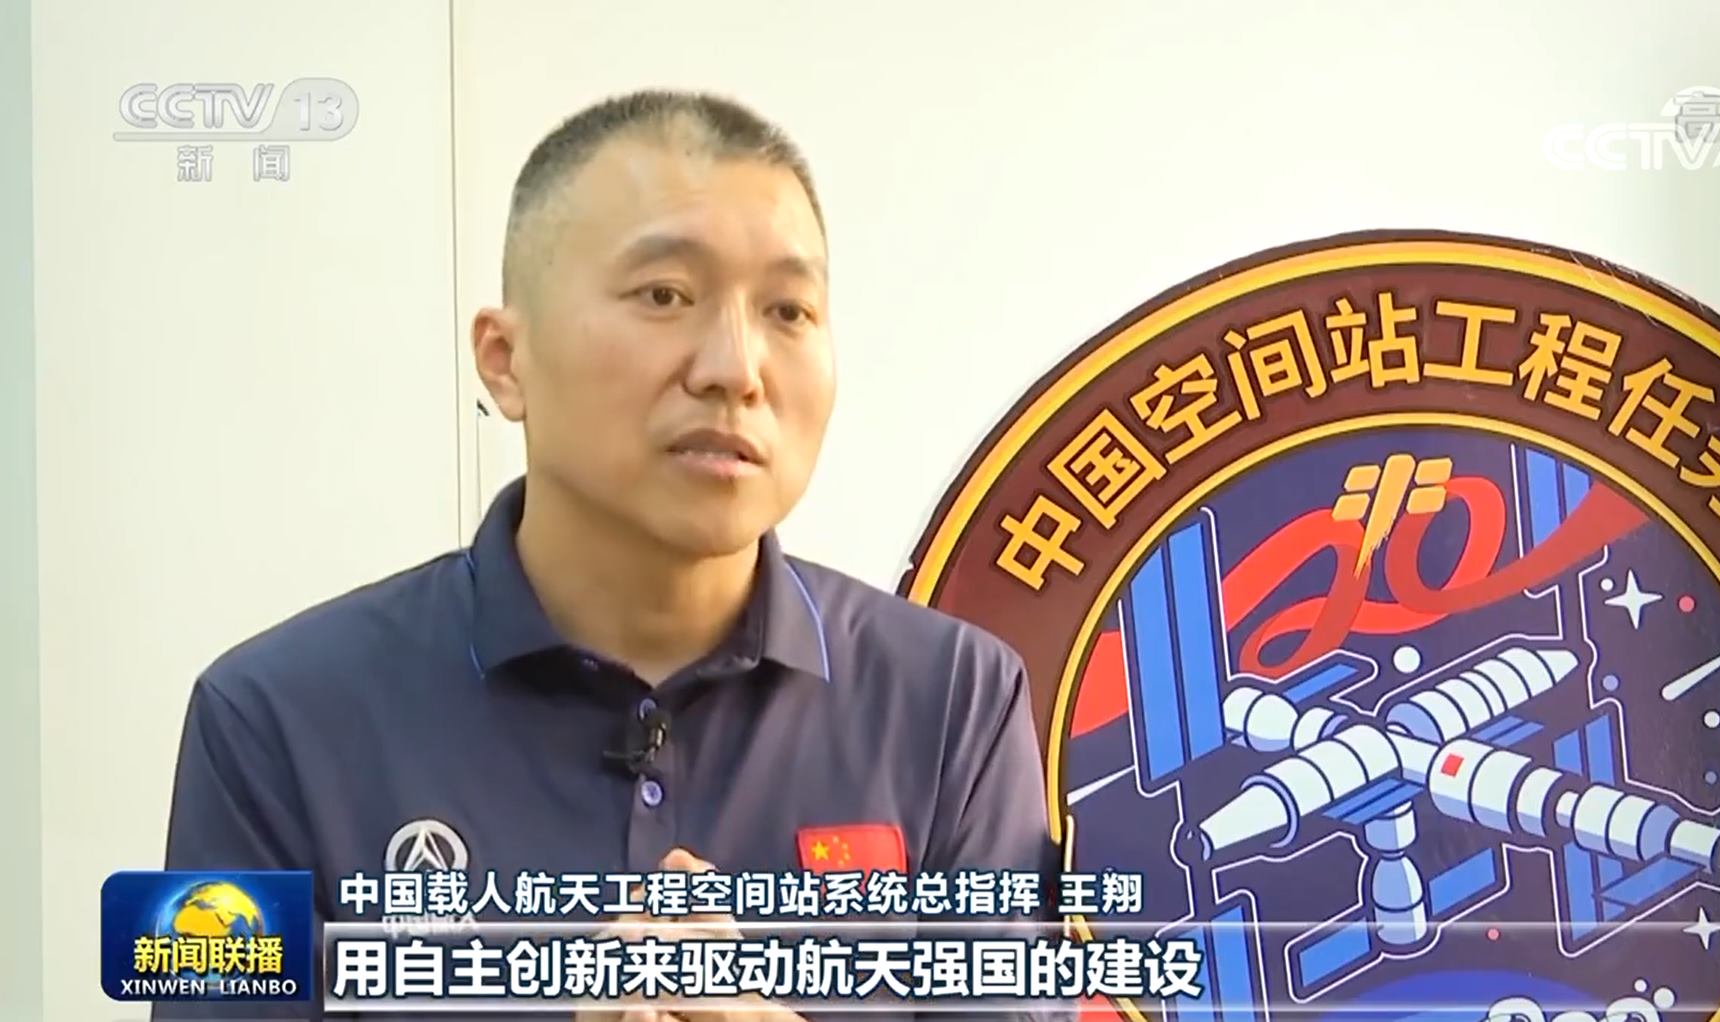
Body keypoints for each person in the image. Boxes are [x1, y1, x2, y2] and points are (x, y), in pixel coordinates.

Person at [158, 90, 1061, 1020]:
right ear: (505, 360)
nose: (734, 369)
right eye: (664, 296)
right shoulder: (270, 720)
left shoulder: (953, 703)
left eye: (788, 310)